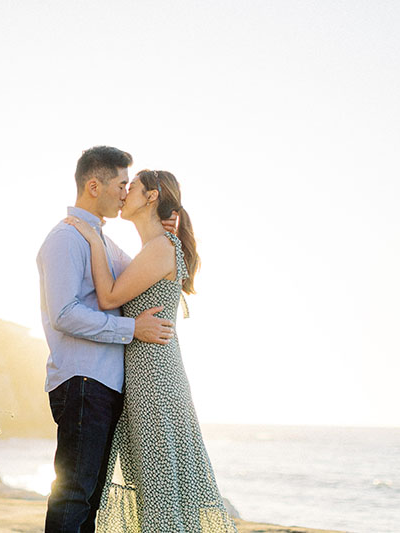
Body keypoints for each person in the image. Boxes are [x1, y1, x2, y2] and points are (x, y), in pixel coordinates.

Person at [64, 170, 238, 532]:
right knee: (154, 484)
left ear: (152, 197)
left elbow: (110, 295)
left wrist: (95, 242)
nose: (125, 193)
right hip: (148, 375)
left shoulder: (161, 247)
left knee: (159, 486)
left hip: (155, 378)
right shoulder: (155, 248)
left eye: (133, 188)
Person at [37, 147, 177, 533]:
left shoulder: (101, 240)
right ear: (94, 184)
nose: (123, 192)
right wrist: (132, 330)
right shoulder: (66, 238)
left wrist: (164, 233)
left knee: (89, 500)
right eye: (120, 184)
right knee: (73, 495)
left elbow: (137, 277)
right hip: (82, 382)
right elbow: (64, 314)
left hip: (102, 385)